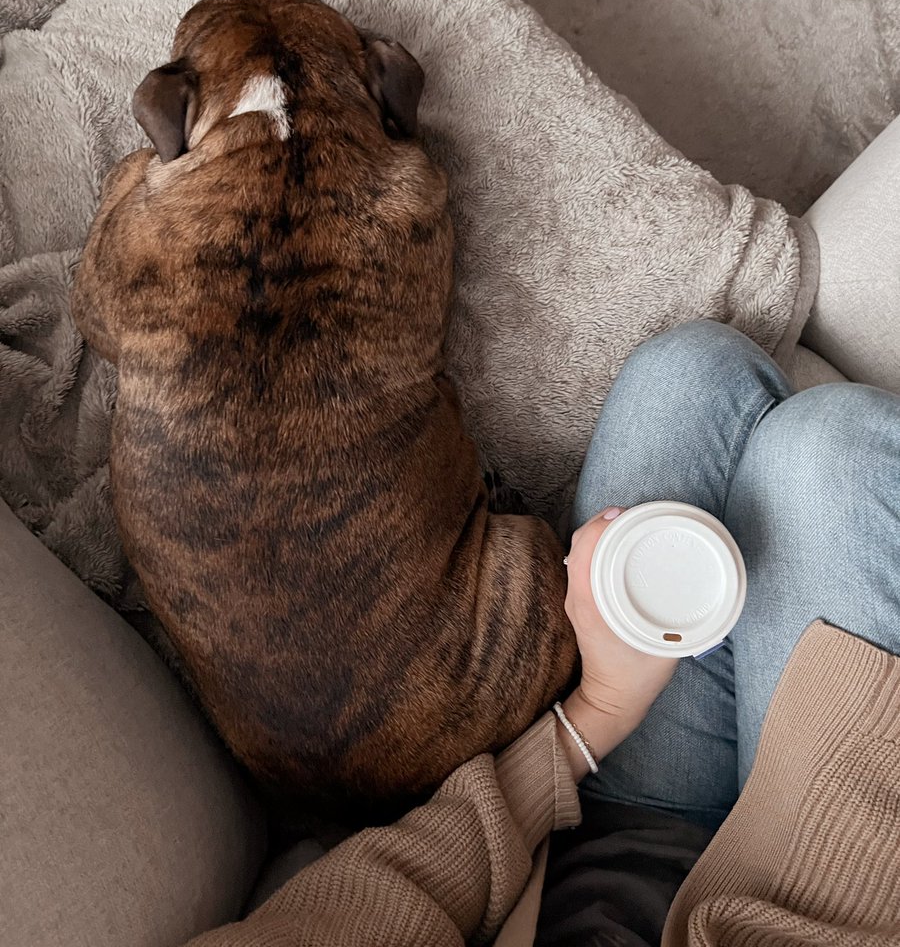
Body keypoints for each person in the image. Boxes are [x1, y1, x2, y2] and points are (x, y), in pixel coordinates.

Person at [186, 320, 900, 947]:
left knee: (687, 374)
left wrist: (596, 712)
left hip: (603, 833)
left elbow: (400, 885)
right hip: (808, 894)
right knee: (833, 442)